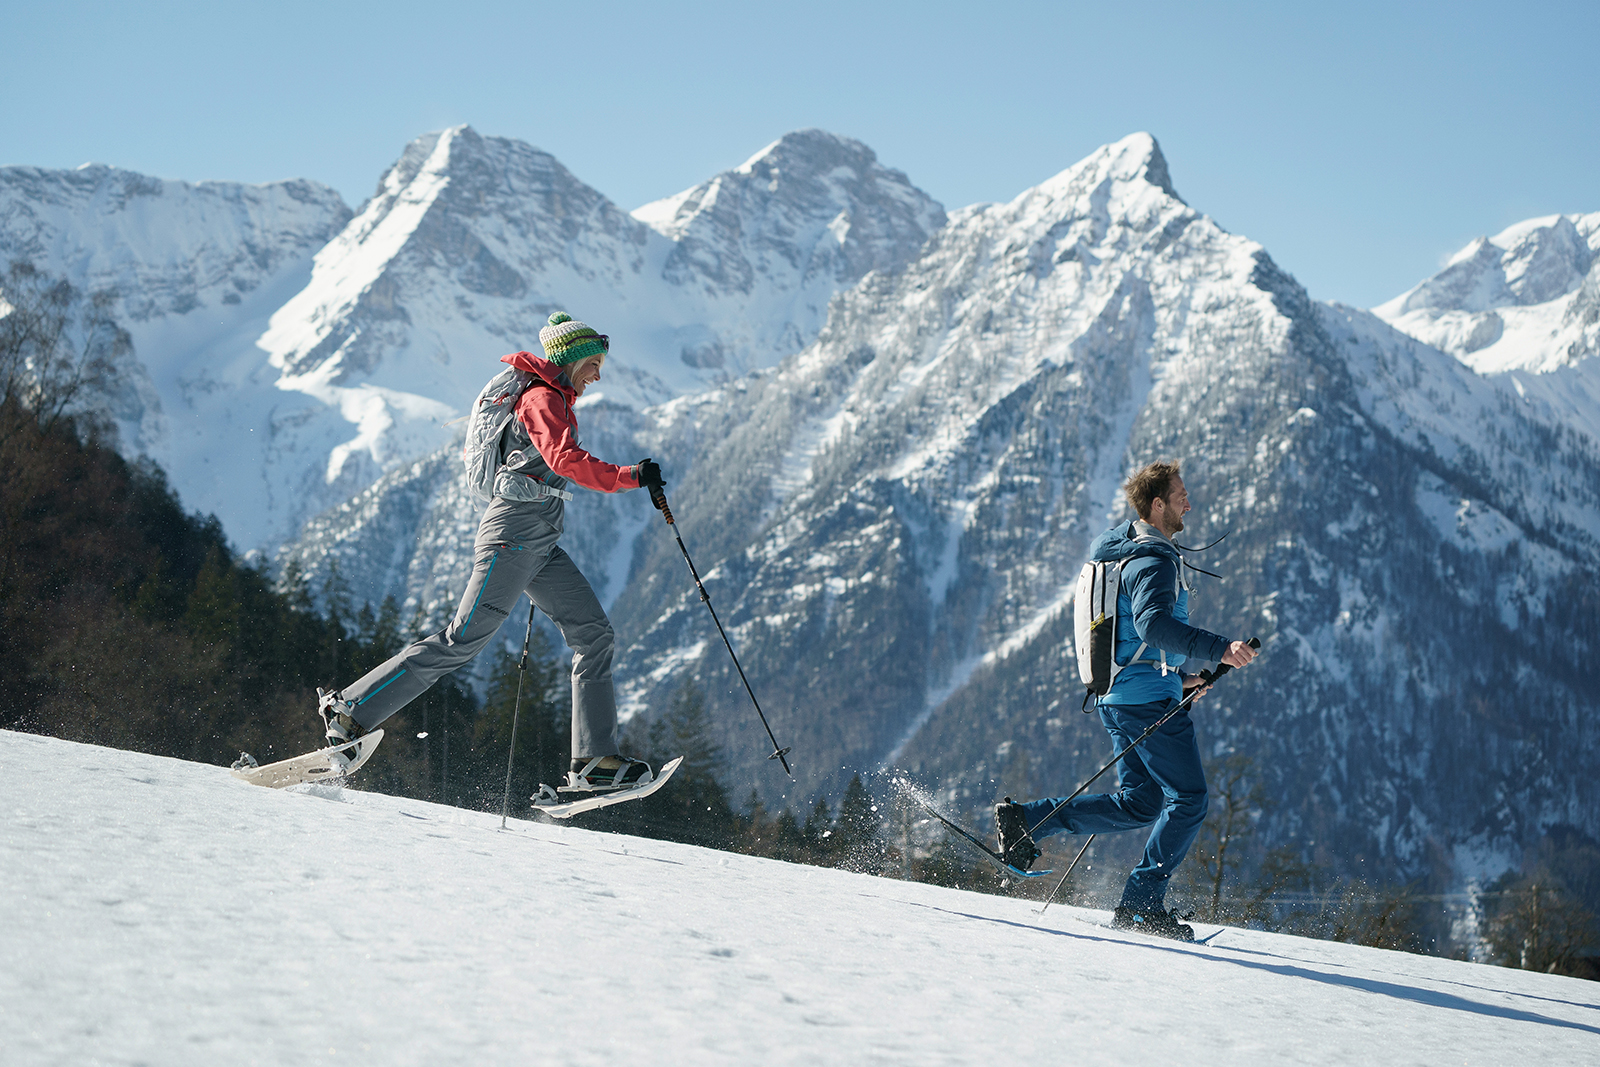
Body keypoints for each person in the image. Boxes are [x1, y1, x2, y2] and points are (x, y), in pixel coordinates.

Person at [315, 311, 667, 791]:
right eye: (593, 363)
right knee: (462, 640)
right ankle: (350, 710)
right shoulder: (544, 397)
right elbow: (564, 458)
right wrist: (629, 476)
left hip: (538, 539)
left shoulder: (556, 396)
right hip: (514, 534)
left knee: (594, 634)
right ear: (570, 359)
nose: (598, 375)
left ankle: (595, 763)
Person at [996, 460, 1257, 939]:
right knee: (1191, 798)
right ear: (1157, 505)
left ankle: (1028, 821)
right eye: (1181, 496)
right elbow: (1153, 627)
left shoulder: (1123, 553)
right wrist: (1222, 648)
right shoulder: (1153, 560)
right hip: (1142, 703)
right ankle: (1140, 904)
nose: (1189, 503)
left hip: (1121, 694)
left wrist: (1180, 681)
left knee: (1141, 802)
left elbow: (1132, 642)